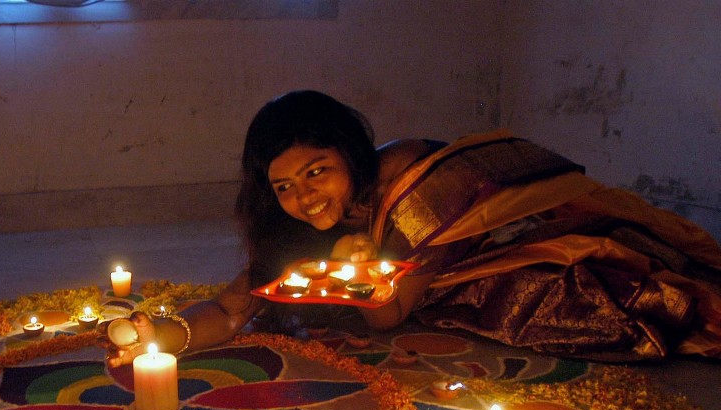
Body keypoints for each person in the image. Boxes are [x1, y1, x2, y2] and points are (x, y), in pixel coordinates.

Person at [104, 90, 721, 365]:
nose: (303, 197)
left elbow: (390, 316)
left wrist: (365, 272)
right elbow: (236, 305)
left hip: (498, 245)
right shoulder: (296, 222)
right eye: (284, 186)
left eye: (317, 171)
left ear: (349, 153)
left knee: (586, 307)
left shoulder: (408, 189)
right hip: (411, 276)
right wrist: (165, 333)